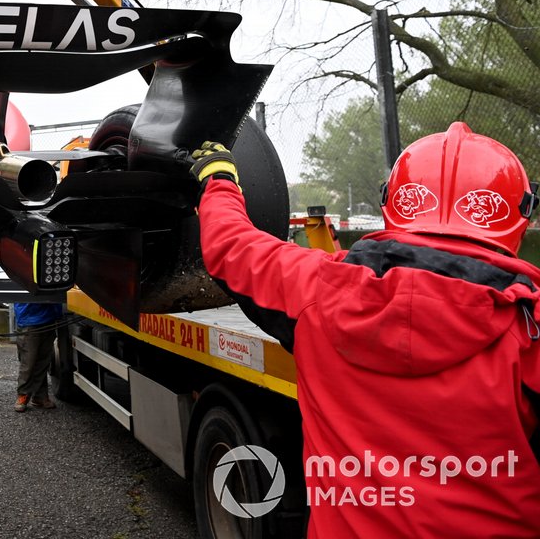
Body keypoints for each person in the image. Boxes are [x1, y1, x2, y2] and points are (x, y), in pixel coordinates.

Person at [191, 122, 540, 537]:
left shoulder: (315, 292)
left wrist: (219, 180)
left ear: (391, 202)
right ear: (521, 213)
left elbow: (233, 246)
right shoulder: (528, 329)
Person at [11, 301, 62, 412]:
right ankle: (23, 395)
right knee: (28, 363)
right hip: (29, 319)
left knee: (43, 361)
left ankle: (40, 396)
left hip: (49, 317)